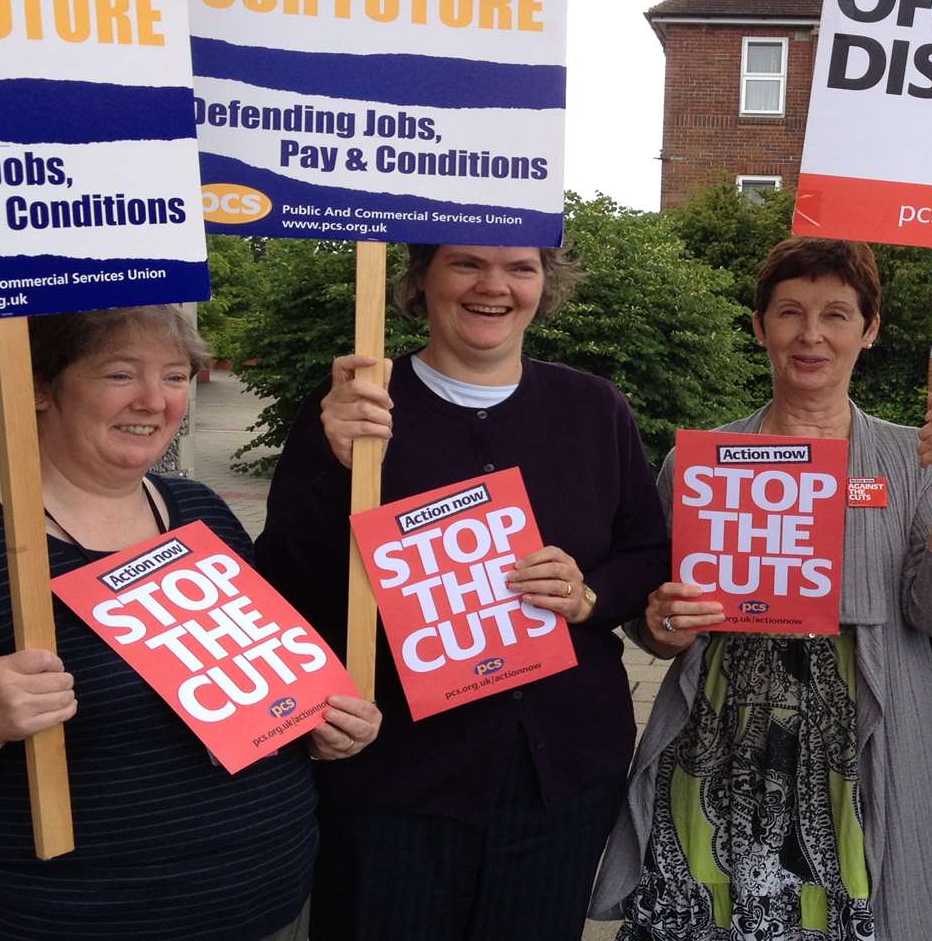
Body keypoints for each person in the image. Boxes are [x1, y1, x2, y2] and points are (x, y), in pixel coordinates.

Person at [0, 306, 381, 941]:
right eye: (118, 375)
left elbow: (243, 690)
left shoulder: (198, 510)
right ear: (41, 388)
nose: (155, 401)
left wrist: (318, 725)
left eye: (176, 375)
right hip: (57, 920)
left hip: (267, 905)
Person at [256, 242, 669, 940]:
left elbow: (647, 554)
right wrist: (334, 464)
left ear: (545, 284)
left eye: (520, 268)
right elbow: (285, 583)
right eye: (467, 264)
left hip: (558, 782)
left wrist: (588, 594)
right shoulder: (360, 411)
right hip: (395, 785)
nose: (494, 286)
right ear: (421, 280)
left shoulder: (593, 408)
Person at [590, 237, 932, 940]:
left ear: (869, 331)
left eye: (836, 314)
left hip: (864, 750)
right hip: (718, 741)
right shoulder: (700, 462)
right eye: (789, 313)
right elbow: (652, 623)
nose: (811, 335)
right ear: (759, 327)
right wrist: (661, 624)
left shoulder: (910, 458)